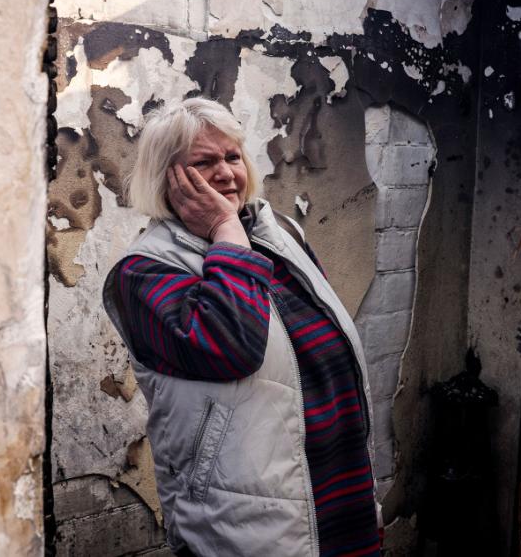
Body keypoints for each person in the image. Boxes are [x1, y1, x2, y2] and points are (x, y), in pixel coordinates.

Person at [102, 97, 382, 556]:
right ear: (166, 177)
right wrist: (225, 233)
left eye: (233, 157)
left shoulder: (283, 234)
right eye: (203, 163)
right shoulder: (144, 272)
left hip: (335, 493)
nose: (227, 173)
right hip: (249, 522)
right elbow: (232, 348)